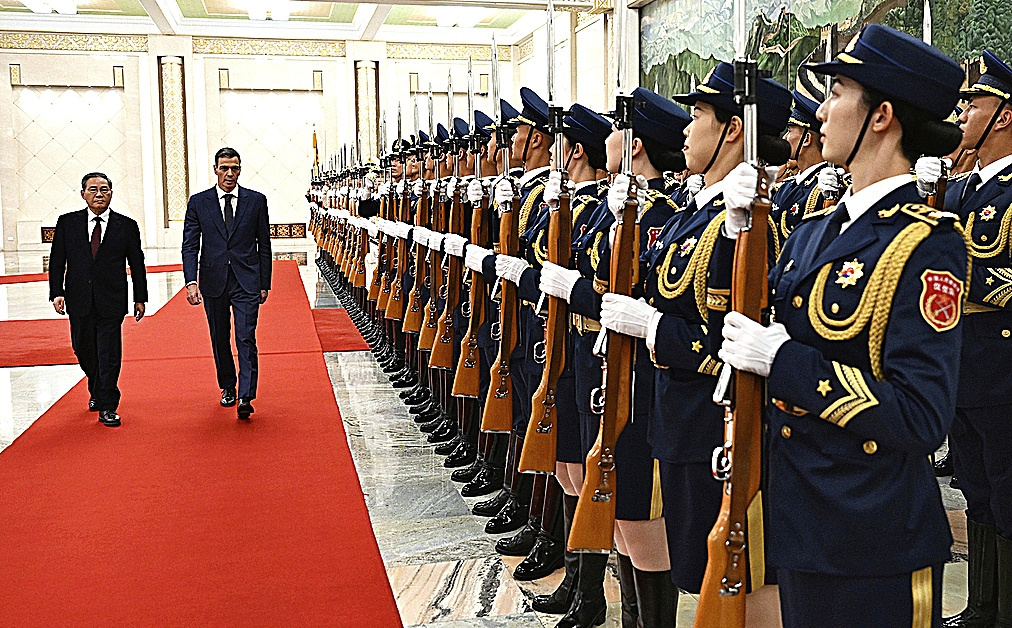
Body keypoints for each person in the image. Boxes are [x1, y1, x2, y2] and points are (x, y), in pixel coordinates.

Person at [717, 24, 967, 626]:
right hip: (800, 515)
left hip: (872, 532)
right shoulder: (813, 230)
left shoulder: (925, 245)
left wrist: (785, 363)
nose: (822, 112)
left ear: (881, 115)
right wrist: (733, 233)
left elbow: (920, 414)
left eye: (837, 93)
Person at [918, 49, 1012, 628]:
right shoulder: (957, 190)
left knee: (1007, 489)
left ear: (1002, 115)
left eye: (973, 103)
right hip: (963, 366)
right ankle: (982, 605)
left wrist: (946, 276)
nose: (961, 113)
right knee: (976, 486)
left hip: (1001, 365)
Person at [49, 172, 147, 428]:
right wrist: (56, 292)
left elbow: (137, 263)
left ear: (111, 193)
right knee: (83, 349)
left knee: (109, 353)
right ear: (83, 194)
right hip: (78, 298)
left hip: (111, 300)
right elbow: (58, 260)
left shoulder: (126, 225)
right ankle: (96, 384)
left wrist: (140, 297)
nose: (99, 194)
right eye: (93, 189)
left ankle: (107, 403)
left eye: (104, 189)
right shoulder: (67, 223)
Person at [182, 147, 272, 421]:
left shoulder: (256, 201)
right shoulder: (199, 202)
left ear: (240, 169)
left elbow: (264, 245)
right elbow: (190, 245)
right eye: (224, 168)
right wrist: (190, 281)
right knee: (219, 337)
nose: (229, 173)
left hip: (246, 280)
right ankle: (228, 386)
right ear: (215, 169)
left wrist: (264, 282)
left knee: (245, 336)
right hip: (213, 280)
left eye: (234, 168)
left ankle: (246, 395)